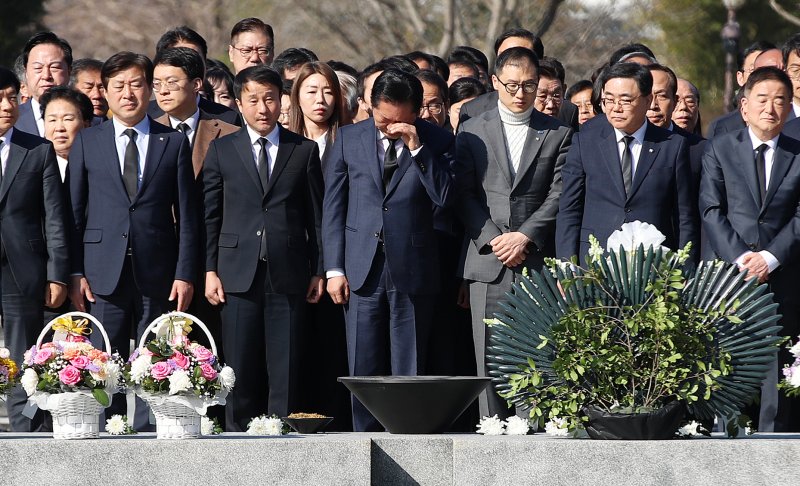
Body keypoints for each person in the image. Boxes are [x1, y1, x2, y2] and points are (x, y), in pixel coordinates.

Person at [67, 51, 199, 430]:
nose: (128, 93)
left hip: (157, 269)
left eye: (136, 84)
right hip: (100, 270)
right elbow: (74, 213)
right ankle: (106, 429)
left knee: (154, 359)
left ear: (150, 90)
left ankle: (146, 428)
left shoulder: (171, 142)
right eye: (119, 86)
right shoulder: (88, 141)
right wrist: (75, 270)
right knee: (102, 360)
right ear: (105, 93)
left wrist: (185, 272)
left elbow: (188, 217)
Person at [322, 68, 455, 431]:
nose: (389, 126)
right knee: (363, 366)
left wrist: (417, 147)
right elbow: (333, 208)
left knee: (408, 366)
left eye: (399, 119)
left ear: (415, 112)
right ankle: (363, 440)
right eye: (382, 117)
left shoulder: (438, 141)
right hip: (361, 268)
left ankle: (407, 436)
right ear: (368, 105)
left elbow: (444, 198)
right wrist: (334, 268)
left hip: (413, 268)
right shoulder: (349, 139)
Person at [203, 65, 324, 430]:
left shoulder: (302, 150)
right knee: (238, 366)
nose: (262, 108)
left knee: (285, 365)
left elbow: (316, 218)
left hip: (288, 272)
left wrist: (319, 268)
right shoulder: (222, 150)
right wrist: (209, 269)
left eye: (270, 99)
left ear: (281, 101)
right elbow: (209, 216)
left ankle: (281, 433)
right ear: (239, 103)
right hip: (235, 273)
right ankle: (238, 435)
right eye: (253, 100)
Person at [454, 47, 573, 418]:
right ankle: (491, 428)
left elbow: (560, 193)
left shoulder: (558, 133)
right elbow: (463, 193)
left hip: (535, 260)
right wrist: (493, 237)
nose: (521, 93)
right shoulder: (472, 128)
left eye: (530, 86)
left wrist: (524, 236)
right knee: (487, 355)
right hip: (487, 260)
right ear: (494, 83)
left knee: (535, 351)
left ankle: (531, 426)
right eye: (512, 85)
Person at [700, 66, 800, 432]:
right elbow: (711, 209)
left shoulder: (798, 152)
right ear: (744, 107)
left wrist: (770, 258)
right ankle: (724, 444)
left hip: (783, 274)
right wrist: (744, 259)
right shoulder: (720, 148)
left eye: (780, 100)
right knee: (727, 361)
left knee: (777, 370)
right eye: (762, 99)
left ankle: (777, 452)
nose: (770, 108)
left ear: (789, 108)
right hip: (730, 276)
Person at [555, 62, 697, 264]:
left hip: (654, 265)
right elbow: (570, 209)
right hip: (595, 263)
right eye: (609, 100)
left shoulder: (672, 146)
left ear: (648, 100)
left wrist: (684, 268)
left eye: (625, 100)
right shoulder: (586, 141)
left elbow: (684, 217)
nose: (616, 108)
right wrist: (566, 264)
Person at [0, 67, 69, 432]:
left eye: (12, 96)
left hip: (21, 269)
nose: (7, 105)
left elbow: (54, 219)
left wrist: (57, 273)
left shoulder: (37, 150)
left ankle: (25, 435)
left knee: (23, 358)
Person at [459, 29, 578, 130]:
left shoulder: (566, 111)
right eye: (505, 55)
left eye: (521, 55)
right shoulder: (473, 109)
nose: (514, 61)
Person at [152, 48, 239, 178]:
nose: (163, 91)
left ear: (196, 84)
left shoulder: (229, 134)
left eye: (171, 82)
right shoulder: (148, 133)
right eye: (157, 84)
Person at [149, 27, 240, 126]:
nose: (188, 65)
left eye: (194, 59)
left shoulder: (227, 118)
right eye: (178, 60)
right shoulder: (145, 117)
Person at [709, 43, 780, 138]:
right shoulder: (723, 127)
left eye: (769, 69)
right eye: (753, 70)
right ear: (740, 77)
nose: (761, 77)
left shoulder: (792, 122)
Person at [15, 32, 73, 137]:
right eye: (38, 68)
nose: (46, 76)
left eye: (54, 67)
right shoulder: (11, 119)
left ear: (69, 70)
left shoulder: (92, 122)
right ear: (26, 72)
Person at [41, 86, 93, 181]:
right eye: (52, 120)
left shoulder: (97, 165)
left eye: (67, 119)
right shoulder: (35, 168)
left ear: (86, 124)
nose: (59, 128)